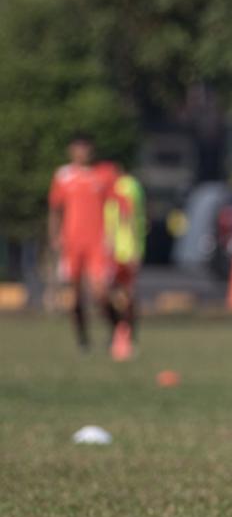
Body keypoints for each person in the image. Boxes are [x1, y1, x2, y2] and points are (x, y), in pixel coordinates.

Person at [48, 135, 119, 354]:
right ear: (71, 151)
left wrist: (115, 236)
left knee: (100, 292)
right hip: (72, 243)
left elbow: (114, 207)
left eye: (86, 148)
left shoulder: (104, 173)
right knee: (74, 296)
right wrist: (54, 236)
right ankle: (83, 341)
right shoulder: (63, 175)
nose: (82, 152)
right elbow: (55, 209)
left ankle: (116, 329)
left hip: (97, 242)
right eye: (78, 148)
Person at [102, 161, 146, 361]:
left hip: (125, 250)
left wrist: (136, 248)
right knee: (110, 295)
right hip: (111, 251)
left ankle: (125, 334)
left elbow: (130, 217)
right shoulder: (109, 187)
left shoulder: (127, 186)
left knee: (125, 295)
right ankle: (119, 332)